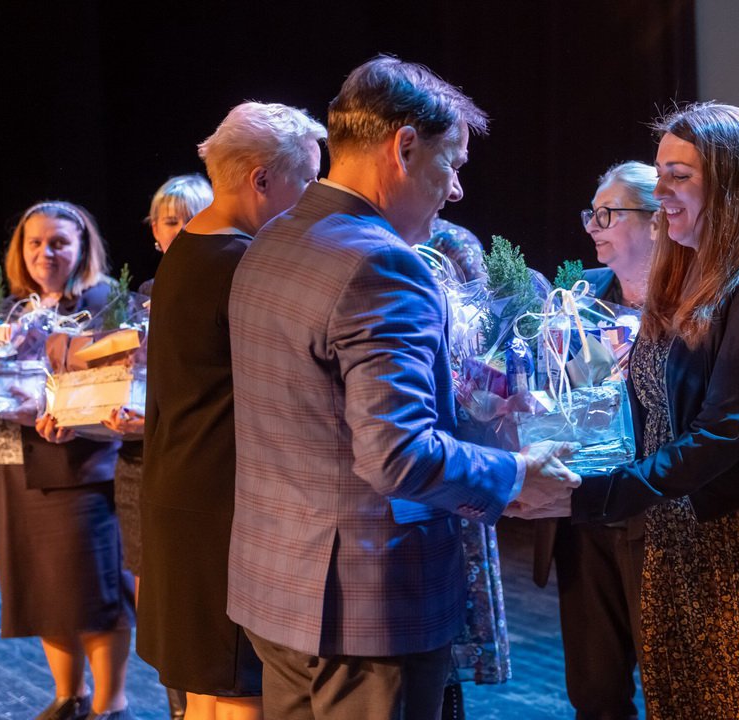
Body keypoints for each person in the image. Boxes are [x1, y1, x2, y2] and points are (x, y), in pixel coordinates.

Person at [227, 55, 580, 720]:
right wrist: (514, 473)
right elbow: (396, 455)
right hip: (367, 611)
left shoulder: (273, 239)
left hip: (276, 590)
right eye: (452, 164)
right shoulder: (384, 264)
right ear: (405, 147)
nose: (457, 191)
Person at [527, 102, 739, 719]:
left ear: (733, 183)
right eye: (659, 173)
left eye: (679, 176)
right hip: (688, 534)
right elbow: (651, 413)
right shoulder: (683, 284)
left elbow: (721, 434)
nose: (660, 192)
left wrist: (590, 496)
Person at [137, 102, 326, 720]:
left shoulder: (188, 250)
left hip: (182, 492)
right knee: (241, 695)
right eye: (308, 181)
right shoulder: (245, 264)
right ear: (261, 179)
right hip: (223, 505)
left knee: (207, 693)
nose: (315, 198)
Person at [0, 200, 135, 720]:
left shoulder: (105, 302)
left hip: (80, 468)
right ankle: (68, 696)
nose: (45, 252)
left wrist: (72, 411)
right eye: (35, 242)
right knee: (43, 591)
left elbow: (120, 380)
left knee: (93, 592)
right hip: (15, 467)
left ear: (83, 247)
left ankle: (110, 705)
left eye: (58, 242)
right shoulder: (7, 310)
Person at [531, 160, 658, 720]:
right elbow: (559, 393)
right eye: (591, 213)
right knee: (595, 692)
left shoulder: (698, 302)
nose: (592, 226)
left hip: (660, 513)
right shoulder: (576, 296)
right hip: (585, 513)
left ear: (657, 221)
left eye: (608, 214)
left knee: (675, 683)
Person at [103, 172, 212, 720]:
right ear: (153, 230)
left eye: (195, 216)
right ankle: (179, 708)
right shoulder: (137, 301)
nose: (183, 228)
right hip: (139, 465)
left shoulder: (230, 285)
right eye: (171, 219)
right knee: (158, 604)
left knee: (199, 603)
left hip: (199, 464)